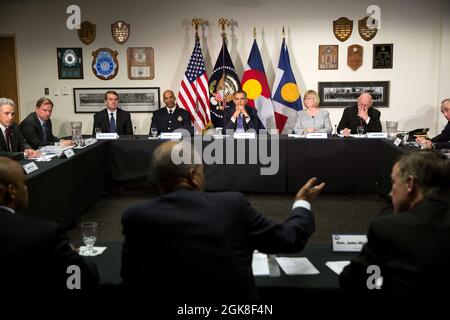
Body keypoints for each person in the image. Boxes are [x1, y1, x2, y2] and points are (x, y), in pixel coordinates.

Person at [121, 141, 325, 300]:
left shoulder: (135, 217)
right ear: (192, 175)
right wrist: (302, 203)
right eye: (202, 170)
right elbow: (289, 239)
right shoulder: (232, 205)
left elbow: (130, 277)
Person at [340, 150, 450, 299]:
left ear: (410, 184)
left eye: (393, 183)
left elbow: (354, 281)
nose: (391, 193)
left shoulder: (388, 228)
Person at [0, 157, 99, 291]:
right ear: (11, 191)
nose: (26, 188)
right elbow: (84, 278)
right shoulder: (43, 233)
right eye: (23, 184)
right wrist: (71, 254)